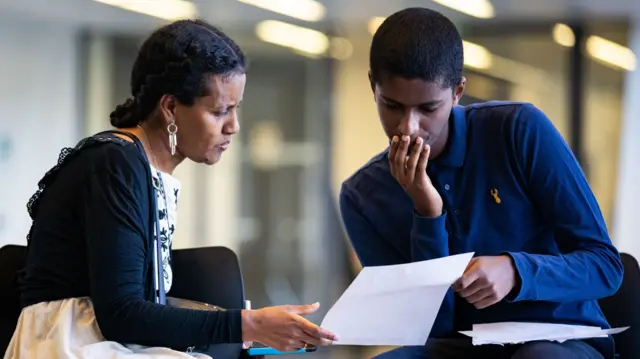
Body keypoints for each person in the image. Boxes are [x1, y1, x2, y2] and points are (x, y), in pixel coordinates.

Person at [4, 19, 337, 359]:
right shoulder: (114, 163)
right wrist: (247, 323)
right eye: (220, 110)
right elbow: (122, 314)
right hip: (62, 341)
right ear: (170, 108)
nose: (233, 126)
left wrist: (241, 325)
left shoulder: (141, 166)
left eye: (236, 110)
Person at [338, 7, 623, 359]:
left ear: (458, 91)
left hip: (559, 338)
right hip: (456, 346)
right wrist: (427, 215)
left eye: (428, 109)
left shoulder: (519, 129)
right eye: (392, 106)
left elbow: (605, 267)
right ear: (373, 87)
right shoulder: (361, 196)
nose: (408, 127)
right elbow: (428, 329)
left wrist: (516, 271)